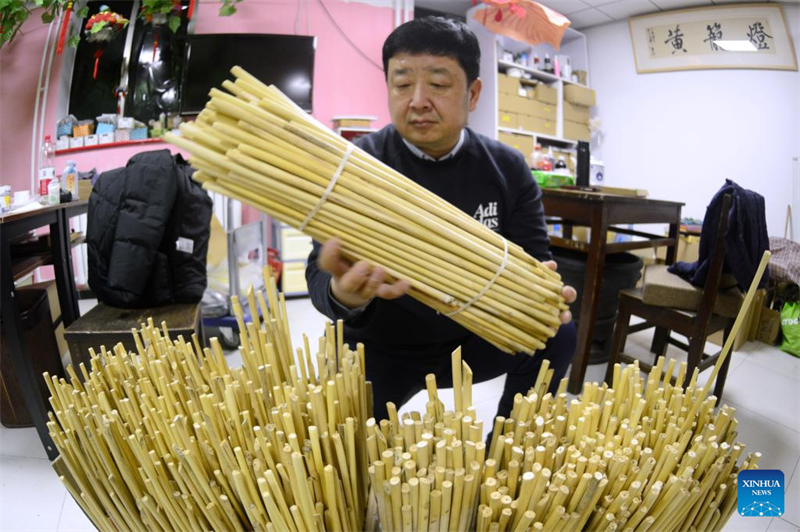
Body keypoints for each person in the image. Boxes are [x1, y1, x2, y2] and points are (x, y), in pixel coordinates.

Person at [306, 16, 577, 423]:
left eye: (438, 84)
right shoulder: (354, 166)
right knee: (339, 453)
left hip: (475, 336)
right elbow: (319, 275)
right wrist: (346, 294)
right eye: (401, 84)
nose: (417, 100)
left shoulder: (508, 167)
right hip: (382, 344)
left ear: (473, 94)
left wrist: (542, 294)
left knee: (557, 333)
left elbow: (535, 259)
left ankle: (505, 454)